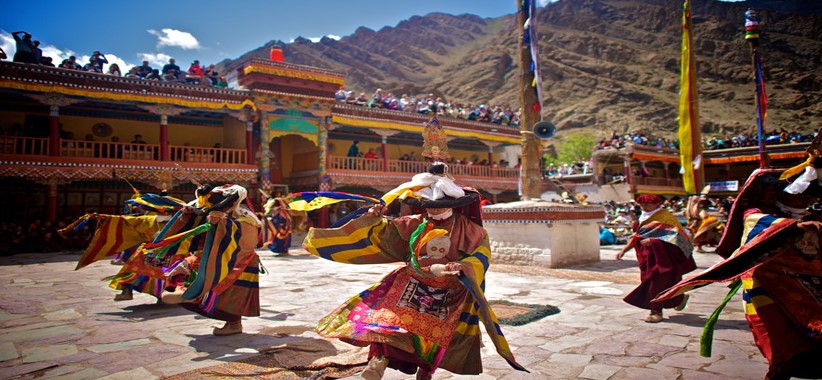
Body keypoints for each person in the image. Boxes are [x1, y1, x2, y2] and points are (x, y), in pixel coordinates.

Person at [303, 162, 526, 379]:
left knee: (432, 336)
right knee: (384, 319)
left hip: (449, 291)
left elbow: (481, 255)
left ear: (453, 206)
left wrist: (463, 266)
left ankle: (426, 372)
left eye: (438, 207)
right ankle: (378, 360)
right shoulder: (416, 222)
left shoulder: (472, 231)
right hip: (411, 280)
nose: (433, 211)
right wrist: (375, 218)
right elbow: (388, 231)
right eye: (429, 206)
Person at [655, 166, 822, 380]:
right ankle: (778, 370)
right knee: (776, 335)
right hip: (763, 287)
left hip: (806, 288)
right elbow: (758, 226)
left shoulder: (812, 216)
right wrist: (796, 227)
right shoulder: (756, 214)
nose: (806, 202)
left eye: (810, 198)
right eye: (803, 197)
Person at [158, 184, 262, 335]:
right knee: (185, 272)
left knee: (229, 298)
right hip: (213, 258)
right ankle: (187, 293)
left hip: (239, 261)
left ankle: (233, 324)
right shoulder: (216, 214)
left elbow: (247, 241)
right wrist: (187, 214)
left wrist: (222, 223)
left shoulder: (246, 218)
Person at [616, 193, 695, 323]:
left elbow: (678, 238)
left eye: (647, 204)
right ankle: (679, 299)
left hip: (662, 257)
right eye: (641, 204)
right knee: (653, 282)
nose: (644, 206)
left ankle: (656, 312)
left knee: (656, 284)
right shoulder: (642, 218)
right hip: (646, 257)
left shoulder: (665, 218)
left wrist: (654, 242)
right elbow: (637, 236)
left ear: (657, 204)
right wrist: (624, 249)